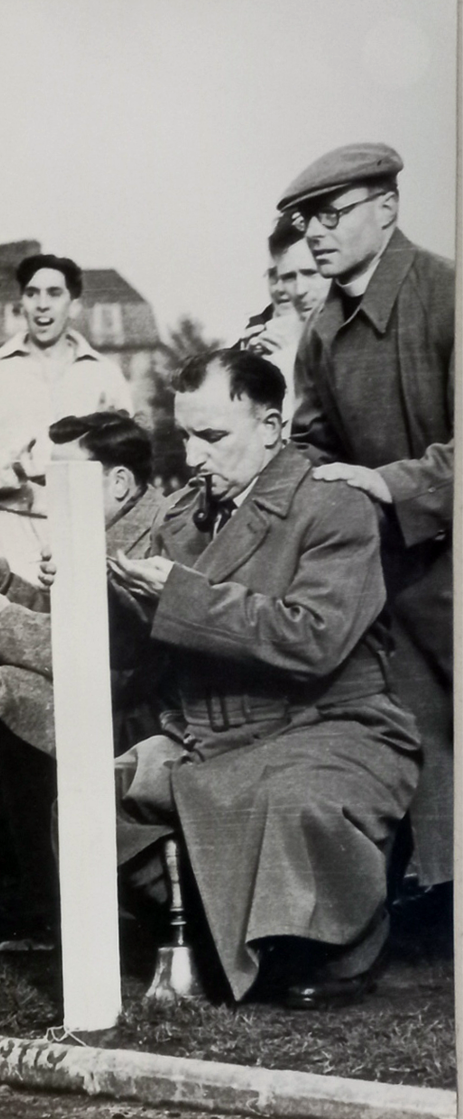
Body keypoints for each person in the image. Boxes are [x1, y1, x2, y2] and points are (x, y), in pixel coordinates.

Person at [110, 349, 420, 1008]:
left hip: (333, 726)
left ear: (273, 429)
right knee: (94, 799)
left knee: (291, 801)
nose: (193, 458)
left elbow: (313, 638)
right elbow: (152, 645)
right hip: (216, 738)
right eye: (186, 435)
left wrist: (180, 597)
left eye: (214, 437)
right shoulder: (181, 518)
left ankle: (342, 944)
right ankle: (225, 926)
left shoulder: (334, 507)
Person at [279, 143, 454, 890]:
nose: (315, 233)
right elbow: (311, 445)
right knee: (422, 741)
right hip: (393, 574)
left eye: (332, 213)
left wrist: (388, 483)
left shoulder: (446, 294)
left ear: (389, 207)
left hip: (441, 557)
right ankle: (440, 901)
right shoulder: (322, 329)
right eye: (305, 219)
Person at [0, 411, 166, 943]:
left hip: (140, 724)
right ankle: (54, 902)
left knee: (13, 698)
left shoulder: (153, 540)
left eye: (64, 481)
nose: (48, 497)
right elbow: (72, 619)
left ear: (120, 482)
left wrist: (4, 616)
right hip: (111, 717)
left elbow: (111, 654)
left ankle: (59, 918)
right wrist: (2, 584)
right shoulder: (103, 528)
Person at [0, 254, 132, 585]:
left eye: (54, 294)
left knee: (82, 633)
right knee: (4, 630)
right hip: (12, 530)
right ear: (22, 303)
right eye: (32, 294)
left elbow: (131, 461)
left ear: (74, 305)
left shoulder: (106, 375)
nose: (41, 305)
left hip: (86, 531)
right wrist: (12, 468)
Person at [236, 212, 330, 424]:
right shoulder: (266, 333)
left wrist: (293, 360)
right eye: (287, 277)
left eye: (311, 273)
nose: (298, 290)